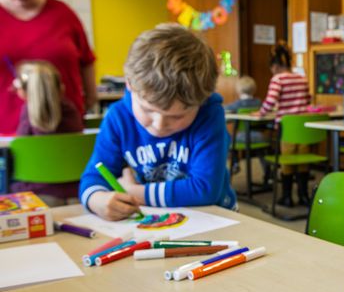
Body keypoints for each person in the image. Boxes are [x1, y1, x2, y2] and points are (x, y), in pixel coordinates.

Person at [79, 23, 236, 220]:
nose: (160, 124)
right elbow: (93, 178)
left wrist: (133, 192)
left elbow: (205, 190)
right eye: (147, 110)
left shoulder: (209, 115)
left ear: (202, 100)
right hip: (153, 223)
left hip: (216, 220)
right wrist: (96, 199)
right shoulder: (118, 118)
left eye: (177, 116)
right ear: (129, 84)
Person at [0, 0, 96, 134]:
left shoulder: (63, 13)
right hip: (6, 126)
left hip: (64, 122)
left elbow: (86, 60)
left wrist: (90, 97)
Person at [11, 60, 84, 205]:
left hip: (36, 196)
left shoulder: (28, 113)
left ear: (24, 92)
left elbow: (20, 153)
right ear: (61, 88)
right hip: (77, 191)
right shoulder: (71, 110)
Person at [254, 42, 311, 207]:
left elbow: (270, 102)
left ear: (274, 65)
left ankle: (287, 197)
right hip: (303, 127)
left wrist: (261, 113)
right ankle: (304, 196)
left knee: (287, 161)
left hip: (286, 129)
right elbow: (307, 100)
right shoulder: (302, 78)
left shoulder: (277, 79)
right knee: (302, 161)